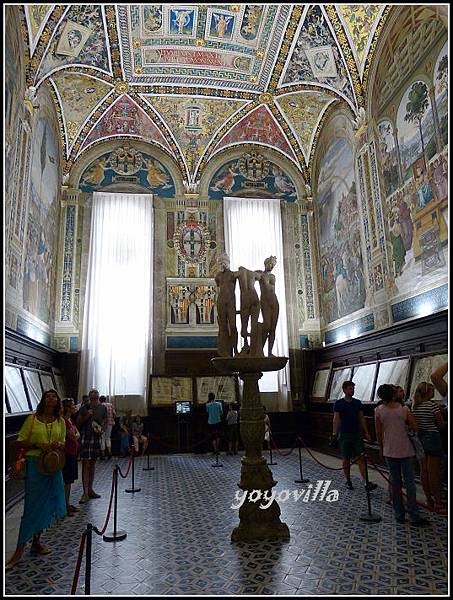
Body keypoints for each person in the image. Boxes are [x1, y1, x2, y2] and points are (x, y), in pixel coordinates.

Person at [6, 390, 67, 570]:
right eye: (48, 396)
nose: (51, 398)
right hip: (35, 465)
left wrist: (57, 445)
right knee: (32, 507)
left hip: (52, 466)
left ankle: (36, 542)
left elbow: (63, 442)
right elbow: (19, 441)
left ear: (57, 401)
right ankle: (18, 551)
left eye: (54, 396)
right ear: (43, 400)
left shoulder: (60, 421)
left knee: (47, 504)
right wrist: (37, 445)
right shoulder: (32, 420)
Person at [375, 384, 429, 526]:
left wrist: (381, 448)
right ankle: (414, 515)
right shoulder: (404, 409)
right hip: (405, 450)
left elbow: (379, 433)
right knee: (410, 484)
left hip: (389, 450)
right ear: (393, 395)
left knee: (395, 483)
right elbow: (415, 427)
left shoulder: (378, 410)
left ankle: (399, 515)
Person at [332, 381, 377, 491]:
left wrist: (366, 432)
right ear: (344, 390)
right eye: (350, 389)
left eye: (353, 389)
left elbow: (361, 418)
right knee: (346, 458)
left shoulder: (357, 403)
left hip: (356, 434)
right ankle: (348, 480)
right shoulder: (339, 404)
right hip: (344, 434)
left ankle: (366, 482)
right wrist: (334, 433)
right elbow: (336, 419)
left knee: (360, 458)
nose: (352, 391)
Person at [411, 382, 446, 513]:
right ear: (428, 392)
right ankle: (438, 502)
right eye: (432, 391)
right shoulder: (432, 405)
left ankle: (429, 500)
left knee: (423, 472)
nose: (434, 392)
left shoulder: (415, 406)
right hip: (433, 438)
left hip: (420, 440)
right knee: (434, 473)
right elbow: (441, 424)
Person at [77, 389, 106, 504]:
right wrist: (87, 416)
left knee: (93, 463)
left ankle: (90, 489)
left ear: (98, 397)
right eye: (92, 398)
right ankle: (84, 492)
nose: (94, 400)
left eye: (96, 398)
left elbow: (104, 421)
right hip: (86, 437)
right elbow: (78, 422)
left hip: (96, 437)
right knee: (86, 464)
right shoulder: (84, 407)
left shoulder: (102, 408)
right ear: (89, 398)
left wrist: (101, 429)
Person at [215, 253, 238, 357]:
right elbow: (218, 287)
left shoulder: (233, 275)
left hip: (231, 301)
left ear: (227, 263)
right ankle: (224, 350)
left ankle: (235, 349)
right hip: (221, 301)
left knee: (233, 326)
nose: (222, 265)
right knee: (223, 326)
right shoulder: (218, 276)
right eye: (220, 263)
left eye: (223, 262)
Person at [257, 256, 279, 357]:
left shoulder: (273, 277)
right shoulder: (260, 274)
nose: (271, 266)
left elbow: (272, 289)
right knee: (266, 326)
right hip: (265, 302)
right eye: (270, 264)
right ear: (266, 263)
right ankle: (260, 350)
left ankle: (270, 353)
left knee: (273, 328)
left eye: (273, 265)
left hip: (274, 302)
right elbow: (250, 275)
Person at [62, 398, 80, 516]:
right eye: (73, 405)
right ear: (68, 408)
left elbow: (77, 433)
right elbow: (73, 436)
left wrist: (76, 434)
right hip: (67, 453)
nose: (75, 407)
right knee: (66, 480)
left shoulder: (70, 420)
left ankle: (67, 504)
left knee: (69, 481)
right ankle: (64, 506)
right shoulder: (64, 421)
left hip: (73, 452)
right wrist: (76, 434)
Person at [237, 265, 261, 355]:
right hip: (254, 297)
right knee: (254, 325)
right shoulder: (253, 273)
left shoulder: (238, 273)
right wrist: (257, 271)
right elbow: (260, 276)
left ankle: (246, 344)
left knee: (244, 325)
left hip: (245, 299)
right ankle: (253, 346)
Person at [99, 395, 116, 459]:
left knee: (102, 438)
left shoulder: (100, 406)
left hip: (102, 424)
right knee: (108, 437)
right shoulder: (110, 405)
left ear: (100, 400)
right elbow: (114, 414)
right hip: (110, 423)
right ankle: (109, 452)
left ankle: (103, 454)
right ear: (105, 399)